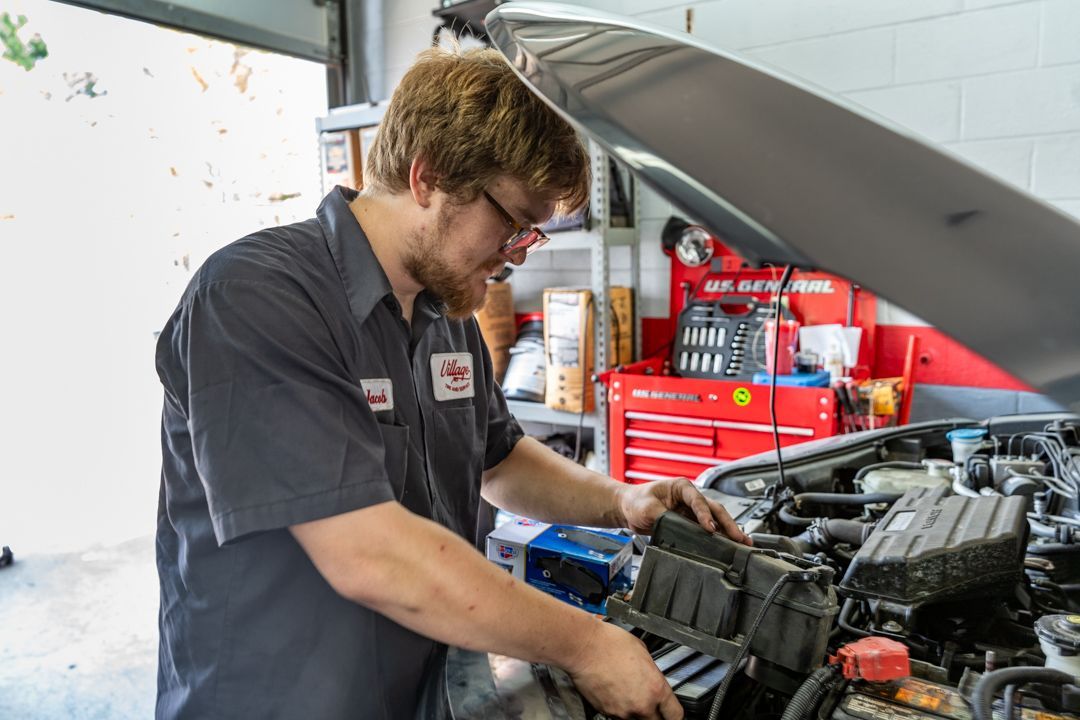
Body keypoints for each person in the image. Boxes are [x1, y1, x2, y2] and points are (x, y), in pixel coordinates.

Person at [154, 45, 750, 720]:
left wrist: (624, 502)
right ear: (428, 177)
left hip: (422, 690)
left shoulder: (445, 309)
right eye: (511, 223)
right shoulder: (256, 297)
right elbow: (369, 554)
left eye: (531, 235)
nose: (515, 255)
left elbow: (497, 459)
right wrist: (585, 645)